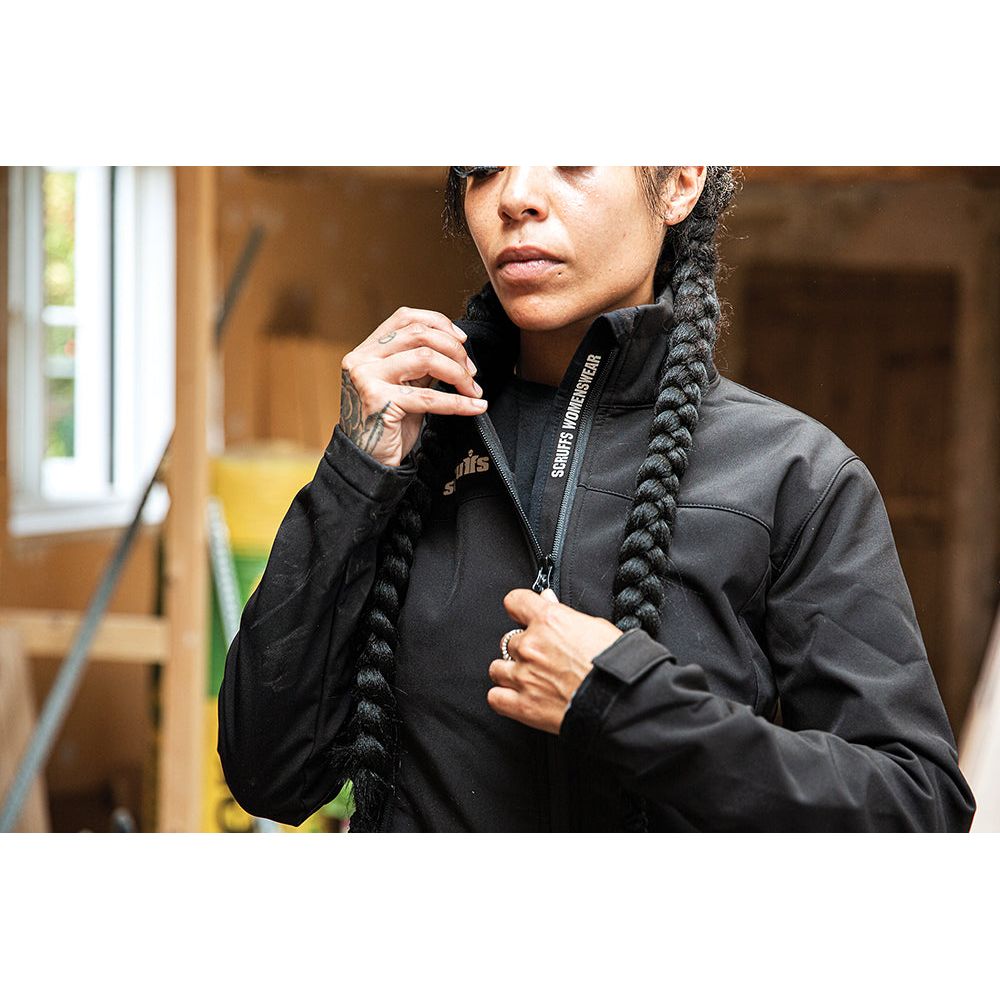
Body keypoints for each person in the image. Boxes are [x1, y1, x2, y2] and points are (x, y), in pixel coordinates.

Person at [217, 166, 976, 832]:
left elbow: (917, 810)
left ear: (678, 181)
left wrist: (629, 705)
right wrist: (355, 473)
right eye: (484, 164)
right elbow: (267, 777)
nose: (515, 196)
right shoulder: (411, 443)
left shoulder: (795, 476)